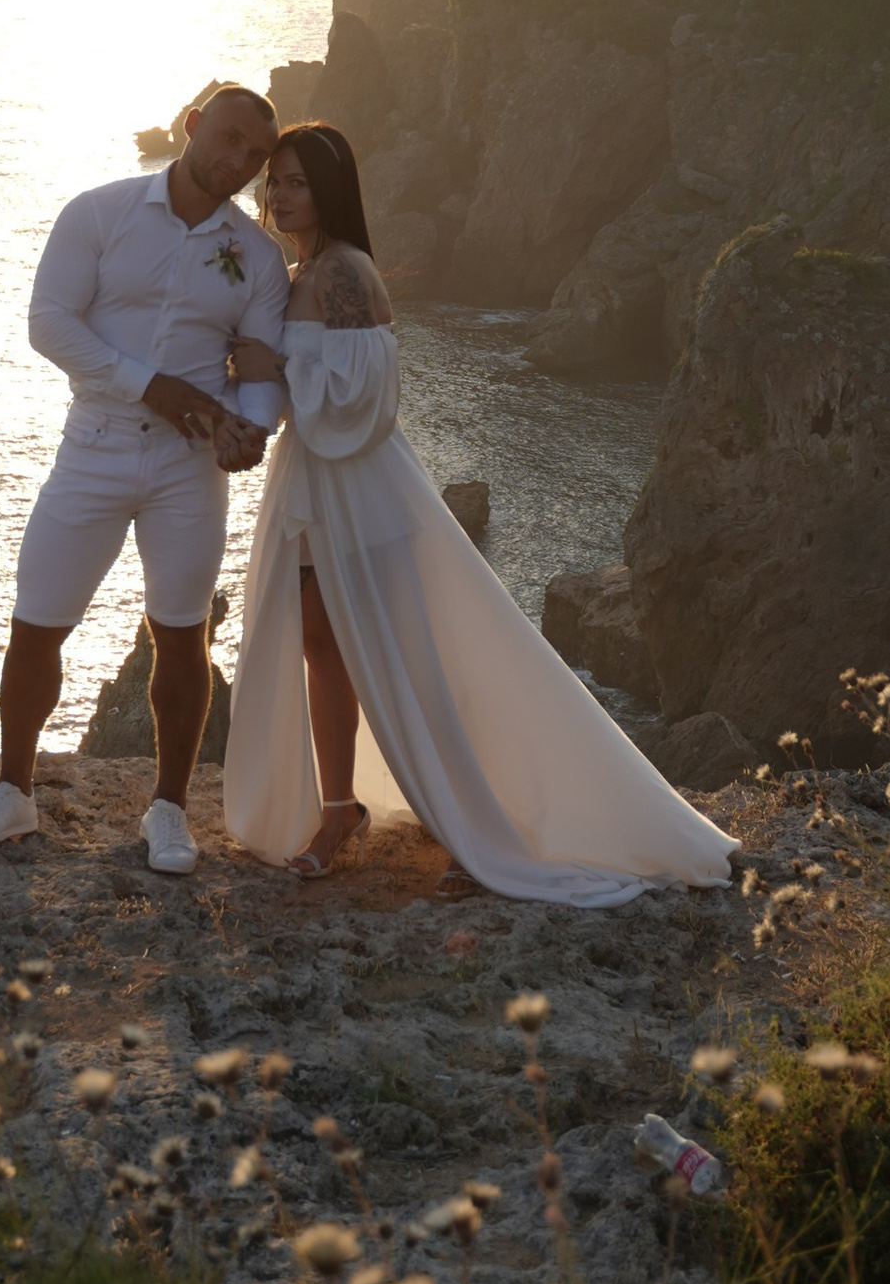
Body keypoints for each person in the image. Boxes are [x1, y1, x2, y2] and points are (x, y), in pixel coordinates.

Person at [220, 122, 737, 904]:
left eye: (297, 181)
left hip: (361, 488)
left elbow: (366, 403)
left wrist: (275, 365)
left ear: (329, 190)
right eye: (275, 180)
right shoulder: (302, 271)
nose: (280, 194)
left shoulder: (346, 272)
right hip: (311, 484)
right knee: (321, 645)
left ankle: (470, 817)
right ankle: (338, 809)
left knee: (407, 655)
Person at [0, 84, 289, 875]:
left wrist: (251, 424)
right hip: (95, 444)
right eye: (230, 139)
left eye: (256, 155)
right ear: (193, 125)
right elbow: (49, 322)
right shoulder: (98, 213)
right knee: (37, 620)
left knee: (181, 631)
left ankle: (168, 809)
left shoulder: (260, 258)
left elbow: (264, 365)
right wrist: (153, 386)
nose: (238, 162)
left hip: (188, 464)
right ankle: (13, 791)